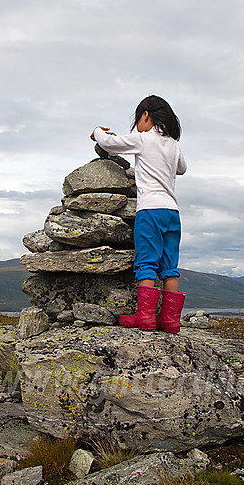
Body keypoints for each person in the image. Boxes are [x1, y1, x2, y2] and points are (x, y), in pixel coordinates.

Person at [91, 95, 187, 333]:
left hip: (150, 210)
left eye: (138, 121)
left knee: (147, 263)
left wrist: (97, 131)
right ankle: (170, 321)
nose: (137, 127)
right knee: (169, 267)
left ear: (146, 116)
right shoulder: (173, 145)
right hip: (172, 212)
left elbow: (110, 143)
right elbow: (182, 168)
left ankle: (145, 318)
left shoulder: (143, 140)